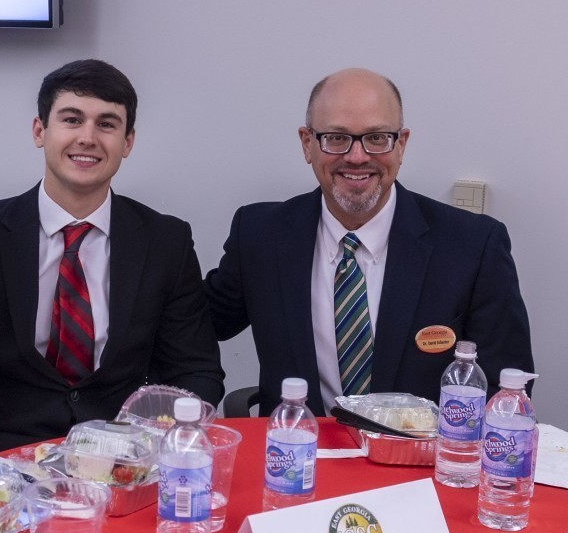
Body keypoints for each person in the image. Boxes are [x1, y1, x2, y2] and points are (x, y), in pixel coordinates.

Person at [0, 59, 224, 482]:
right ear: (40, 131)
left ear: (128, 142)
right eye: (71, 119)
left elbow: (195, 371)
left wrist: (163, 449)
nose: (87, 137)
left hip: (123, 465)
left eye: (107, 124)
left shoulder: (165, 242)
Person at [204, 68, 532, 416]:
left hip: (419, 459)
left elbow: (505, 387)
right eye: (336, 137)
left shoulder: (473, 246)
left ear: (401, 144)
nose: (357, 157)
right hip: (298, 456)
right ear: (307, 143)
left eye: (377, 138)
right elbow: (191, 324)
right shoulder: (259, 235)